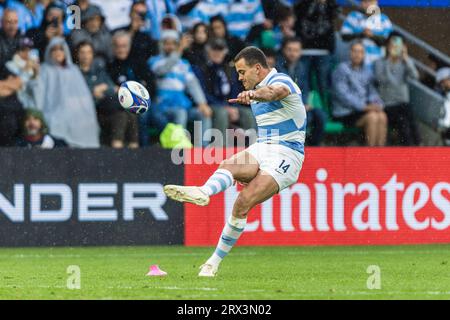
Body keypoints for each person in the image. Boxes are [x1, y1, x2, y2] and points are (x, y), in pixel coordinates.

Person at [164, 47, 306, 277]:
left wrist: (255, 95)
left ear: (257, 68)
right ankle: (203, 192)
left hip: (288, 154)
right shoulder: (255, 89)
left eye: (242, 72)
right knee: (229, 165)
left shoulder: (280, 80)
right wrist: (253, 94)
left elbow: (275, 92)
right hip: (265, 146)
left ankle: (213, 262)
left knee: (243, 201)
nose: (239, 78)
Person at [148, 29, 212, 147]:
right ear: (161, 44)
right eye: (167, 43)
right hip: (162, 107)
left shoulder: (183, 64)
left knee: (203, 113)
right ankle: (179, 147)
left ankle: (202, 150)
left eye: (174, 44)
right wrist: (179, 51)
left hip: (182, 105)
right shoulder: (155, 61)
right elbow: (162, 70)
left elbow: (193, 84)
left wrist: (202, 103)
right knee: (180, 113)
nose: (171, 47)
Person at [33, 37, 100, 148]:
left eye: (61, 49)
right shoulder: (45, 70)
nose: (58, 52)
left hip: (76, 111)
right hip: (53, 110)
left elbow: (83, 95)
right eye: (54, 50)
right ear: (49, 52)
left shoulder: (73, 70)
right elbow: (40, 94)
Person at [76, 40, 138, 149]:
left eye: (88, 52)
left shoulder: (99, 72)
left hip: (108, 109)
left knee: (128, 113)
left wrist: (102, 89)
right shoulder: (75, 73)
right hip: (90, 112)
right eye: (82, 52)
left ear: (92, 55)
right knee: (122, 113)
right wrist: (92, 92)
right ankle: (118, 148)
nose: (86, 56)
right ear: (77, 54)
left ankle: (133, 147)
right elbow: (78, 96)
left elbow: (114, 88)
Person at [195, 38, 256, 145]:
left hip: (227, 104)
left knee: (248, 114)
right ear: (208, 51)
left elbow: (234, 90)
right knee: (222, 113)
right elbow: (203, 93)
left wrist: (233, 106)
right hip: (210, 104)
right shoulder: (202, 68)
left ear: (225, 51)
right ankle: (220, 150)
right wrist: (223, 106)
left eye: (220, 50)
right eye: (214, 50)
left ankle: (250, 149)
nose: (217, 53)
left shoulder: (228, 68)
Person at [332, 41, 387, 146]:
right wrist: (364, 107)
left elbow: (372, 92)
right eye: (355, 51)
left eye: (360, 52)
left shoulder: (367, 71)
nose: (357, 54)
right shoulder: (342, 69)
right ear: (350, 53)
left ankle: (380, 154)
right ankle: (370, 155)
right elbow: (342, 95)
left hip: (363, 110)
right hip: (345, 111)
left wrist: (377, 104)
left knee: (382, 115)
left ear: (364, 55)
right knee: (372, 117)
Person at [107, 31, 155, 147]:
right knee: (126, 114)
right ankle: (132, 149)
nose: (121, 50)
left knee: (142, 114)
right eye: (117, 46)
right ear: (113, 47)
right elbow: (110, 91)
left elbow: (151, 85)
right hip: (119, 106)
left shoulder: (139, 63)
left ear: (129, 46)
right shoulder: (110, 66)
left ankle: (144, 150)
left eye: (124, 46)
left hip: (143, 103)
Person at [276, 37, 326, 146]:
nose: (293, 53)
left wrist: (304, 103)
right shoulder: (276, 67)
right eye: (290, 49)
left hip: (300, 105)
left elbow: (305, 88)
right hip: (282, 106)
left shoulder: (302, 67)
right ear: (283, 50)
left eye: (296, 50)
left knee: (320, 116)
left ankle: (313, 146)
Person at [374, 33, 420, 145]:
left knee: (405, 120)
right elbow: (381, 80)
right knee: (404, 118)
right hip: (387, 105)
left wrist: (406, 59)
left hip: (402, 105)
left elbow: (415, 76)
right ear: (387, 46)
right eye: (392, 44)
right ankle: (412, 149)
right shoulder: (380, 62)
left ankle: (417, 146)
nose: (395, 47)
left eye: (398, 44)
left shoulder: (405, 62)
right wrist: (389, 60)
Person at [294, 0, 338, 102]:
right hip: (304, 50)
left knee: (323, 86)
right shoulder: (302, 4)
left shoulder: (330, 5)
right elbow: (297, 12)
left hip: (324, 50)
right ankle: (304, 110)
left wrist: (325, 3)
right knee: (302, 83)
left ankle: (324, 112)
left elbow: (336, 13)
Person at [340, 0, 392, 66]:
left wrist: (372, 36)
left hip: (376, 63)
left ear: (376, 2)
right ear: (361, 3)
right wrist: (361, 34)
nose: (368, 4)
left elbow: (389, 41)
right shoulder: (353, 16)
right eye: (365, 1)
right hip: (355, 65)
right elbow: (344, 36)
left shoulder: (384, 19)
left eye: (371, 1)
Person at [113, 0, 158, 66]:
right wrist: (132, 30)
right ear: (130, 13)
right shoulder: (118, 31)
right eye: (136, 12)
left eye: (142, 14)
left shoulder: (148, 37)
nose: (138, 16)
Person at [5, 37, 40, 109]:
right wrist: (25, 69)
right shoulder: (9, 65)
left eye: (29, 49)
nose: (27, 52)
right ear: (17, 51)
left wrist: (35, 75)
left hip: (32, 106)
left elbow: (37, 91)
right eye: (23, 49)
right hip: (16, 106)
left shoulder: (35, 65)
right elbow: (17, 87)